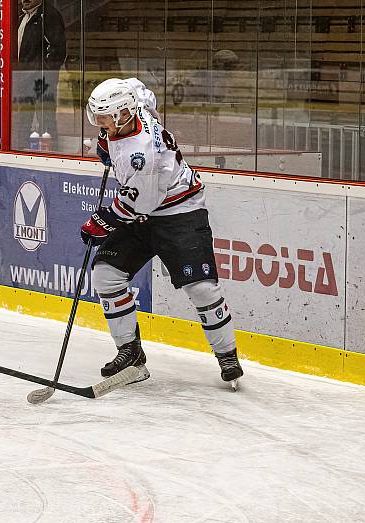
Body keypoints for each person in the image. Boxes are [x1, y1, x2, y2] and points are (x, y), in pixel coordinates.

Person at [83, 78, 244, 388]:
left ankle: (227, 355)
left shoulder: (144, 155)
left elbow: (138, 202)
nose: (100, 125)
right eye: (98, 118)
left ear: (124, 115)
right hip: (146, 207)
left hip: (179, 210)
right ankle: (130, 354)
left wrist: (101, 222)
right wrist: (107, 144)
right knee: (106, 273)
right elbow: (144, 91)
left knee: (201, 287)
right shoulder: (135, 102)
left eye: (105, 119)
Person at [15, 0, 65, 150]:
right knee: (23, 118)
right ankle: (20, 150)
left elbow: (58, 50)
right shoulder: (19, 17)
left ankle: (50, 154)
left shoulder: (49, 15)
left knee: (46, 118)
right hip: (23, 76)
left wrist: (45, 73)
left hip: (41, 78)